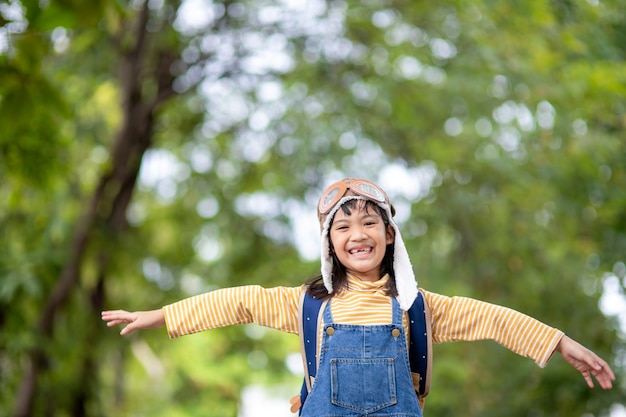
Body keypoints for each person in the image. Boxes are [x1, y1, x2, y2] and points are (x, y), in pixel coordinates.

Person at [102, 177, 615, 416]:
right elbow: (238, 301)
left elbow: (494, 320)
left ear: (389, 235)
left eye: (369, 221)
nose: (357, 233)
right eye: (342, 225)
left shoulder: (417, 306)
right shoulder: (309, 304)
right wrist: (161, 315)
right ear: (330, 244)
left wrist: (560, 343)